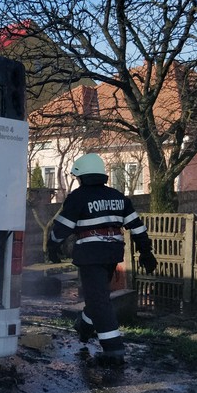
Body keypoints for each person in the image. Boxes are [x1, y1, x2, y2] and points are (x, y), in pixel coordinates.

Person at [47, 153, 157, 366]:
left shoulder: (78, 197)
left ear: (82, 176)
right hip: (112, 254)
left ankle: (113, 351)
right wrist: (146, 252)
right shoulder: (118, 196)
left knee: (99, 300)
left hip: (90, 256)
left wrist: (52, 247)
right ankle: (85, 326)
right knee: (96, 296)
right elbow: (137, 227)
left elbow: (61, 229)